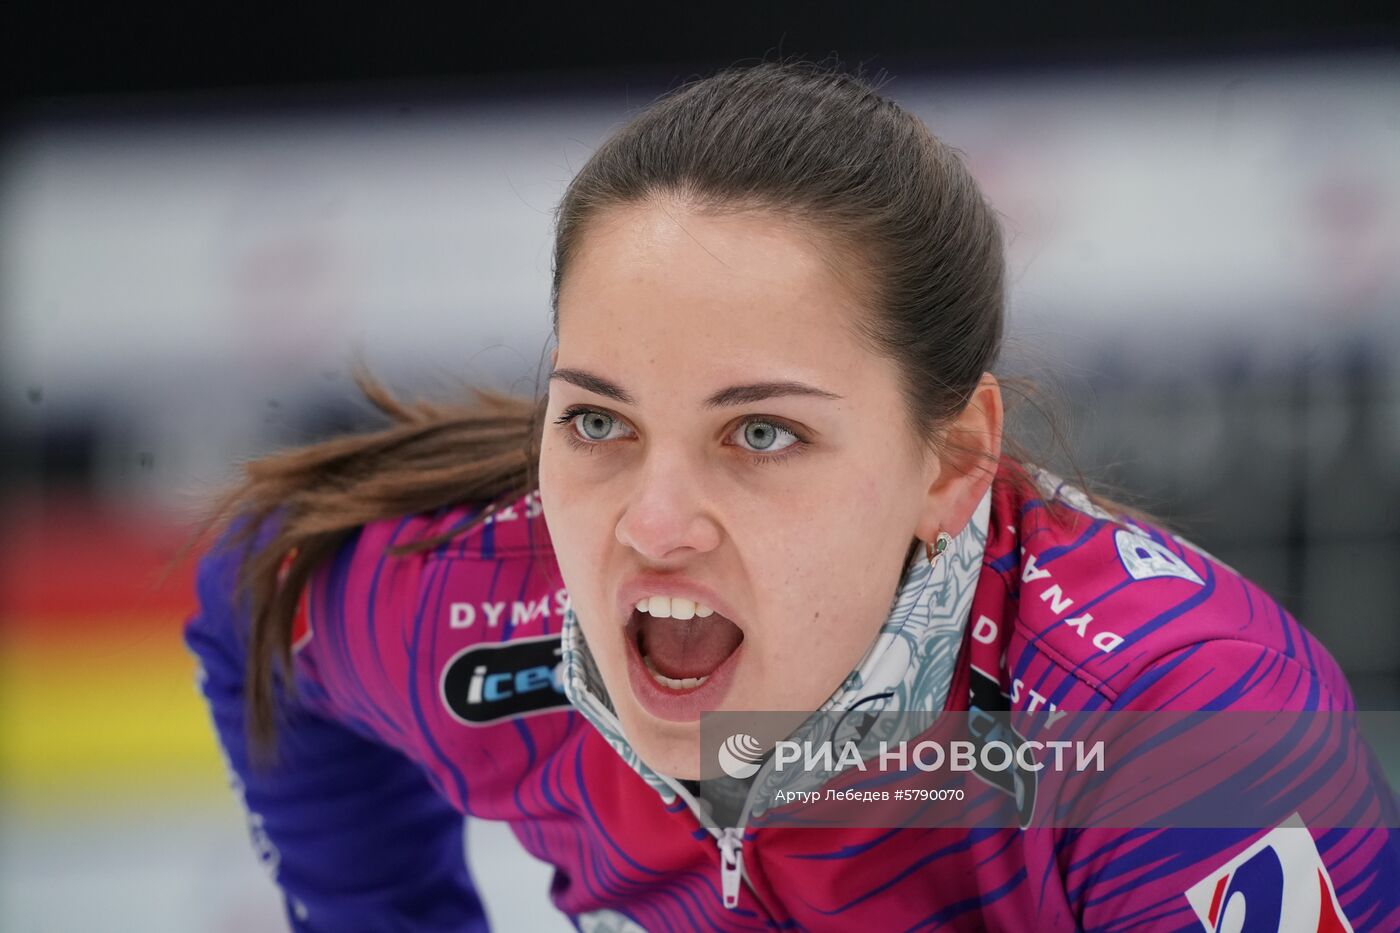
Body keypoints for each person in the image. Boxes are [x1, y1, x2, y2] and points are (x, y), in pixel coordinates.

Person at [183, 60, 1398, 931]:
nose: (652, 524)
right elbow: (260, 590)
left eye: (759, 433)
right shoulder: (465, 604)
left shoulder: (1177, 728)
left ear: (952, 458)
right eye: (598, 421)